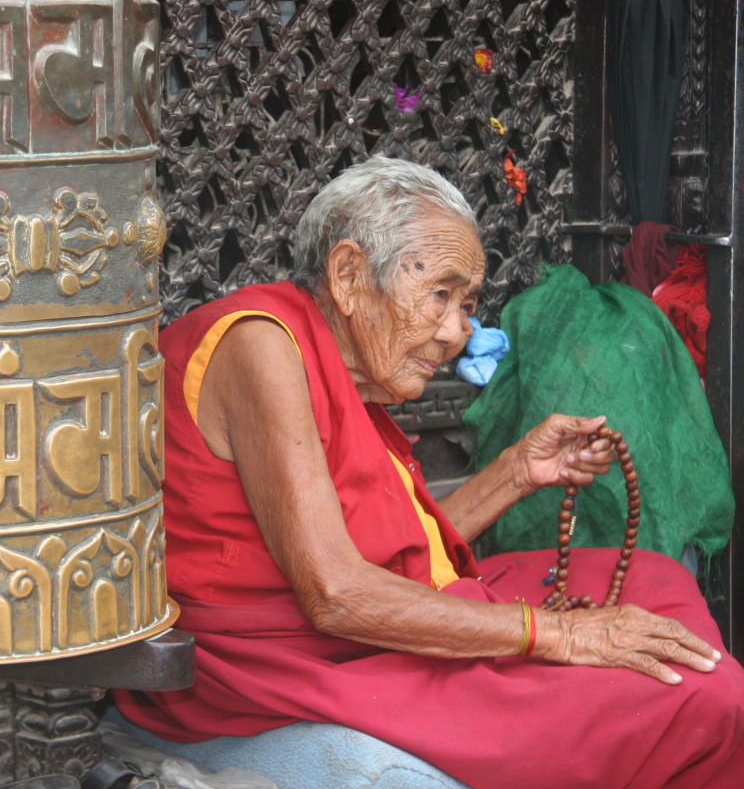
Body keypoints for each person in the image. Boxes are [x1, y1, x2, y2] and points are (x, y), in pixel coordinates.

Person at [113, 157, 744, 788]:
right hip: (290, 663)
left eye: (467, 303)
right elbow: (338, 594)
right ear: (348, 274)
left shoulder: (346, 368)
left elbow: (400, 549)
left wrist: (518, 470)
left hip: (359, 628)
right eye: (440, 294)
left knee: (653, 579)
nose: (456, 333)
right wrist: (559, 635)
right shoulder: (261, 345)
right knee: (706, 702)